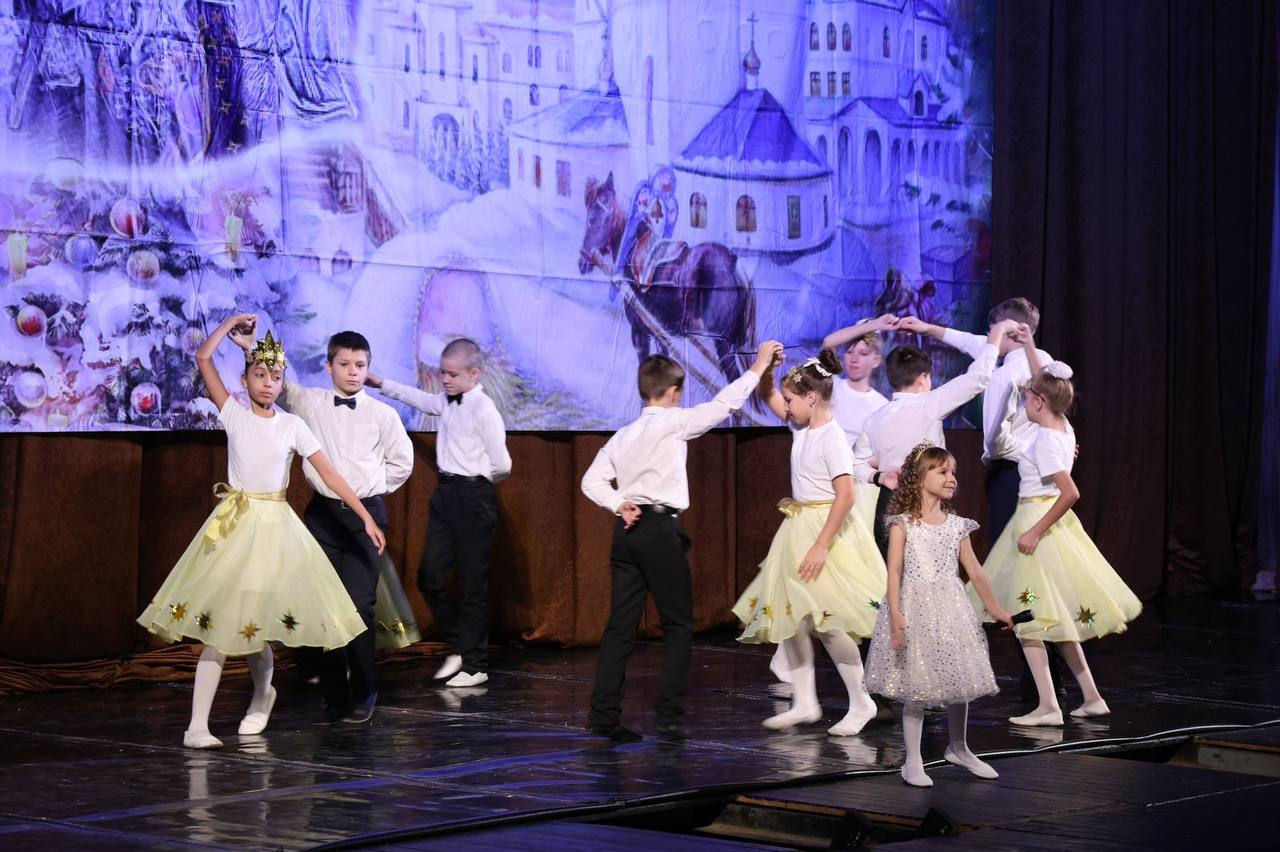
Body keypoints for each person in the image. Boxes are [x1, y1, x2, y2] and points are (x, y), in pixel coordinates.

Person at [137, 314, 383, 748]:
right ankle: (198, 726)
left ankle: (262, 695)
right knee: (221, 627)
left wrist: (364, 514)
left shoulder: (292, 425)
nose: (269, 384)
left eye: (276, 377)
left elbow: (329, 473)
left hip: (274, 531)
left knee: (252, 625)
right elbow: (203, 357)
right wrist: (229, 324)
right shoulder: (233, 414)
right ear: (245, 379)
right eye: (260, 375)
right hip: (234, 527)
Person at [580, 341, 783, 742]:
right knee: (677, 625)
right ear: (674, 393)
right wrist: (759, 366)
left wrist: (619, 504)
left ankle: (603, 714)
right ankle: (668, 718)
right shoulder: (673, 423)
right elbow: (724, 404)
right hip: (658, 531)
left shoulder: (623, 435)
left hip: (627, 533)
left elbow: (591, 481)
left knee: (620, 626)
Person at [248, 328, 415, 724]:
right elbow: (275, 383)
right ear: (328, 366)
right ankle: (334, 693)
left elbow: (402, 464)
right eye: (345, 364)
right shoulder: (310, 401)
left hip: (364, 516)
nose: (353, 372)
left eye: (360, 365)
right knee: (325, 605)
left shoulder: (383, 415)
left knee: (358, 605)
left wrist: (368, 489)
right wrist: (249, 345)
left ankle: (364, 689)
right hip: (322, 516)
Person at [979, 352, 1142, 726]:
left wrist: (1034, 531)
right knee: (1053, 617)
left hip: (1038, 526)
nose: (1024, 404)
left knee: (1026, 616)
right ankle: (1092, 697)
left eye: (1027, 398)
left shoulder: (1047, 440)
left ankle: (1049, 706)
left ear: (1039, 401)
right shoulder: (1063, 428)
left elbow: (1070, 493)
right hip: (1042, 524)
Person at [732, 349, 886, 736]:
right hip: (797, 528)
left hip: (823, 531)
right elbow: (768, 394)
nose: (785, 407)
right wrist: (770, 370)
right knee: (794, 617)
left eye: (791, 400)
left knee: (828, 621)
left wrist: (820, 546)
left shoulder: (831, 438)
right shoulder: (803, 428)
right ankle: (804, 701)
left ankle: (861, 700)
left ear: (812, 398)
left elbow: (846, 496)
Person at [864, 443, 1014, 787]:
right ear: (920, 478)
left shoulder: (956, 525)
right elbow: (894, 572)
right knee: (916, 685)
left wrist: (996, 609)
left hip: (950, 610)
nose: (952, 478)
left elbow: (975, 571)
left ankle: (959, 747)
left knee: (957, 679)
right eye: (943, 471)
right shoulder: (902, 524)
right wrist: (896, 617)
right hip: (914, 608)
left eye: (953, 472)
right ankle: (913, 761)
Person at [368, 338, 511, 688]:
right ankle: (460, 644)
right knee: (429, 576)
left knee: (473, 584)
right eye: (443, 373)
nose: (445, 380)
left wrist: (476, 482)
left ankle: (476, 665)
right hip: (445, 495)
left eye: (452, 374)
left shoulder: (484, 409)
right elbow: (420, 399)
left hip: (473, 496)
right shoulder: (447, 401)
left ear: (474, 374)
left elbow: (503, 464)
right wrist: (380, 382)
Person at [853, 318, 1020, 558]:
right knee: (928, 575)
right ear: (923, 378)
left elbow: (854, 463)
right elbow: (978, 377)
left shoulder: (874, 419)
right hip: (923, 504)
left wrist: (878, 477)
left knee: (893, 574)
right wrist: (998, 332)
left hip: (888, 503)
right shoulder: (929, 404)